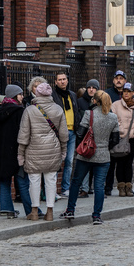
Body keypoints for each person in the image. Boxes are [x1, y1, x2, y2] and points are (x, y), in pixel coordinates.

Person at [62, 92, 120, 224]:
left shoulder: (89, 114)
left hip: (86, 155)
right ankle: (96, 216)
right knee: (99, 186)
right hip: (103, 156)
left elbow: (80, 133)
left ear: (95, 101)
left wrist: (85, 145)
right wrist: (105, 146)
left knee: (76, 182)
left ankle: (70, 210)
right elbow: (116, 139)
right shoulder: (113, 117)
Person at [17, 81, 68, 221]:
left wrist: (20, 154)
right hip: (53, 150)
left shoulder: (30, 110)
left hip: (33, 151)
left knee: (34, 181)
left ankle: (34, 211)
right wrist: (63, 151)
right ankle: (50, 211)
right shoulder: (58, 109)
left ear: (37, 93)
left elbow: (23, 136)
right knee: (51, 181)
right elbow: (64, 135)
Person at [0, 84, 30, 218]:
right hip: (16, 149)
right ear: (15, 95)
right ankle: (30, 210)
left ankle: (6, 208)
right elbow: (23, 132)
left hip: (1, 151)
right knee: (22, 181)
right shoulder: (19, 111)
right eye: (20, 94)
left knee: (4, 180)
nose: (22, 96)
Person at [111, 82, 134, 197]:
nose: (126, 93)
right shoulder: (116, 105)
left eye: (129, 91)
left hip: (133, 138)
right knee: (120, 162)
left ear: (133, 93)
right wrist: (121, 130)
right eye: (124, 91)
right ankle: (121, 187)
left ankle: (129, 187)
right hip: (120, 137)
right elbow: (113, 118)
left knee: (129, 162)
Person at [52, 71, 80, 199]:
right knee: (57, 161)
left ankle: (65, 188)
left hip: (72, 131)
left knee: (69, 161)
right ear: (56, 82)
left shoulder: (72, 95)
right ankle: (53, 189)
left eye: (64, 79)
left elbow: (76, 111)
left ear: (67, 80)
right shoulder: (53, 95)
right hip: (59, 132)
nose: (62, 81)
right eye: (60, 79)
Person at [73, 81, 96, 198]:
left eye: (94, 88)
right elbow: (77, 118)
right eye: (89, 87)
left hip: (97, 136)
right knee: (84, 161)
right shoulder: (80, 102)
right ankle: (85, 188)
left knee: (96, 164)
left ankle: (93, 188)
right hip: (84, 136)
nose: (91, 90)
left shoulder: (99, 102)